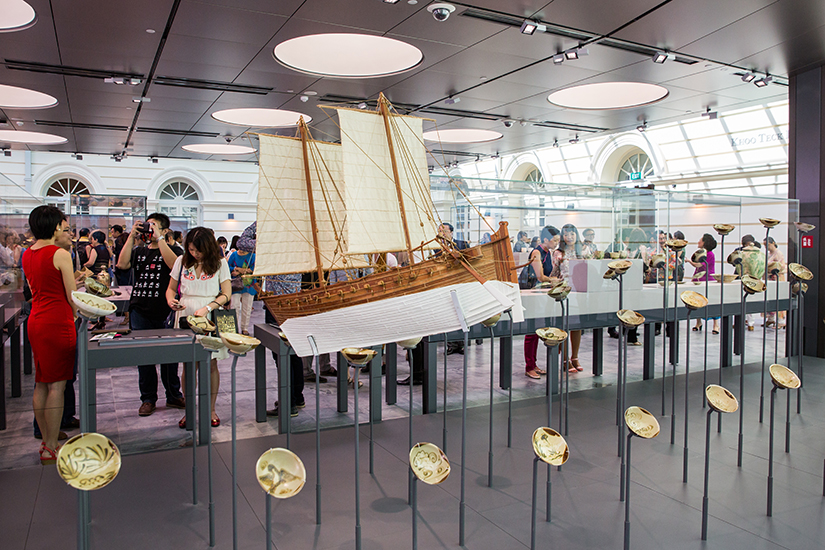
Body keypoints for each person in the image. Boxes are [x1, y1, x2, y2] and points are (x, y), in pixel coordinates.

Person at [21, 205, 77, 464]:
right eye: (63, 225)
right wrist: (77, 314)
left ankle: (46, 441)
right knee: (57, 385)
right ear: (55, 227)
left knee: (42, 381)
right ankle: (51, 446)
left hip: (37, 320)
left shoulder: (27, 254)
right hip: (57, 321)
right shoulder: (59, 253)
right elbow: (71, 294)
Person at [117, 213, 186, 417]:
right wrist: (131, 236)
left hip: (166, 310)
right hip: (140, 309)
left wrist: (160, 238)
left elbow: (175, 266)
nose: (150, 229)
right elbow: (122, 264)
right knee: (144, 356)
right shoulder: (139, 250)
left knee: (170, 357)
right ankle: (148, 399)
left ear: (165, 230)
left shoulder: (175, 250)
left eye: (154, 226)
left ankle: (173, 394)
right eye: (148, 225)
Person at [167, 226, 232, 428]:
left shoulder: (220, 263)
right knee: (189, 365)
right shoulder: (181, 261)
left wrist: (208, 308)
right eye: (191, 249)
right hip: (185, 314)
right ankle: (189, 410)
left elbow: (226, 293)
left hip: (209, 315)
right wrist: (171, 300)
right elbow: (171, 288)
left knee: (211, 363)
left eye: (198, 250)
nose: (194, 253)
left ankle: (211, 409)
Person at [523, 225, 560, 379]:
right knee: (531, 332)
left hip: (541, 295)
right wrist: (553, 280)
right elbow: (540, 276)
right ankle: (529, 366)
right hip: (533, 295)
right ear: (545, 239)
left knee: (538, 330)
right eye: (554, 240)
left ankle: (533, 364)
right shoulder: (537, 252)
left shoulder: (547, 253)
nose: (556, 243)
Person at [551, 224, 586, 370]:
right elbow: (554, 272)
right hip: (565, 291)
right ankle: (565, 359)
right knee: (565, 326)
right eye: (566, 234)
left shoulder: (583, 251)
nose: (569, 237)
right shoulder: (558, 253)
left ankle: (575, 357)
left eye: (572, 234)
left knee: (577, 326)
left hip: (580, 291)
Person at [688, 233, 719, 333]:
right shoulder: (701, 253)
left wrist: (689, 261)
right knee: (697, 301)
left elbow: (699, 265)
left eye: (700, 240)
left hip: (707, 279)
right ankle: (698, 322)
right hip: (699, 279)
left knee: (711, 302)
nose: (698, 242)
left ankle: (716, 325)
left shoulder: (709, 254)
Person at [228, 233, 257, 335]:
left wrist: (238, 270)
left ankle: (245, 328)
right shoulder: (234, 255)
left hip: (249, 285)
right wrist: (238, 270)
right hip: (235, 285)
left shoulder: (253, 256)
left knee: (247, 307)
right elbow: (228, 267)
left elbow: (254, 269)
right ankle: (234, 328)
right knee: (234, 306)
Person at [764, 236, 786, 328]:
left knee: (778, 298)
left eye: (767, 244)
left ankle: (781, 321)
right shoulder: (769, 254)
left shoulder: (778, 253)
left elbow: (780, 266)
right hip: (770, 278)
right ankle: (770, 318)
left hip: (777, 277)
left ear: (773, 243)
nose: (766, 247)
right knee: (770, 299)